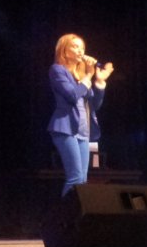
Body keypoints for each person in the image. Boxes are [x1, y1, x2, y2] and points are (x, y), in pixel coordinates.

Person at [47, 33, 115, 196]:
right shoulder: (57, 70)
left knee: (83, 180)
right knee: (75, 178)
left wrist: (99, 81)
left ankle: (76, 212)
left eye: (82, 47)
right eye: (75, 46)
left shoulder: (82, 75)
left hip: (83, 132)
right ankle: (64, 211)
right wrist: (89, 75)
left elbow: (94, 106)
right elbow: (71, 96)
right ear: (64, 50)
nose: (80, 51)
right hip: (65, 128)